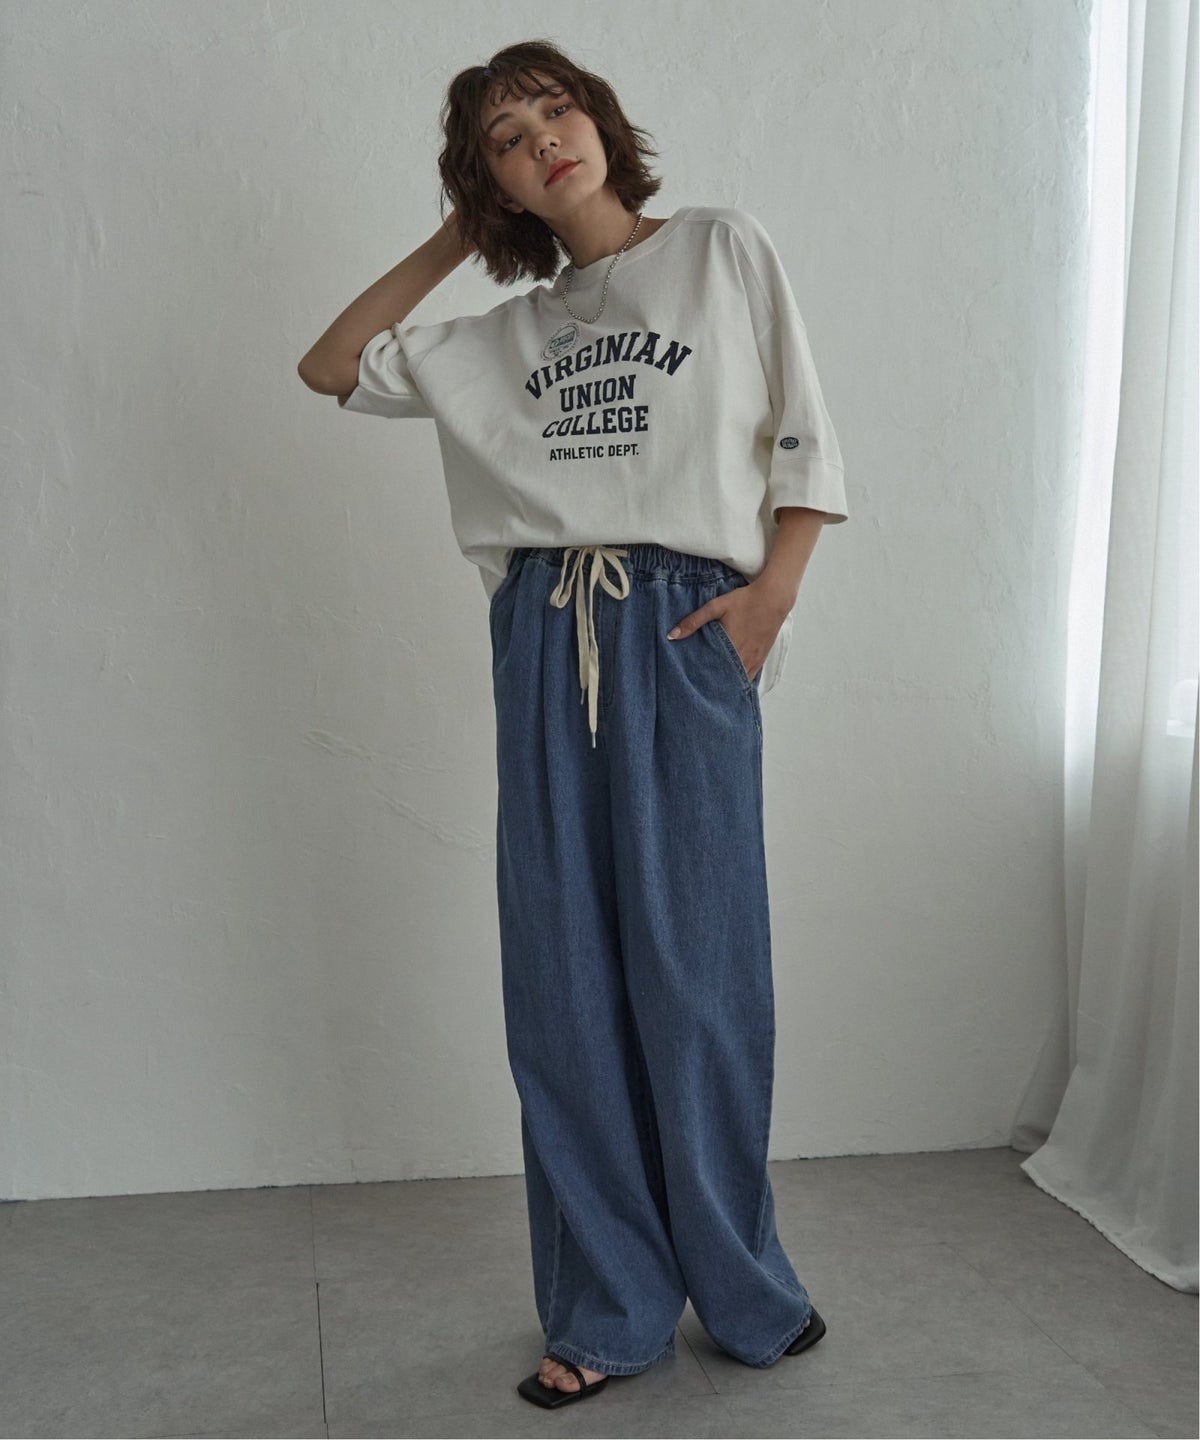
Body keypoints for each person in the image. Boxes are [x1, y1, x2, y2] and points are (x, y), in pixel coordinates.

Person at [298, 38, 845, 1411]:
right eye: (504, 139)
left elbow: (802, 435)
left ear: (599, 118)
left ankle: (746, 1287)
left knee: (700, 979)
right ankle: (608, 1306)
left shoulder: (718, 249)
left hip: (684, 627)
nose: (543, 136)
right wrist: (457, 239)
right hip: (546, 634)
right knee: (562, 989)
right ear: (490, 185)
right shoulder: (505, 336)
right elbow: (328, 364)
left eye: (555, 108)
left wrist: (771, 598)